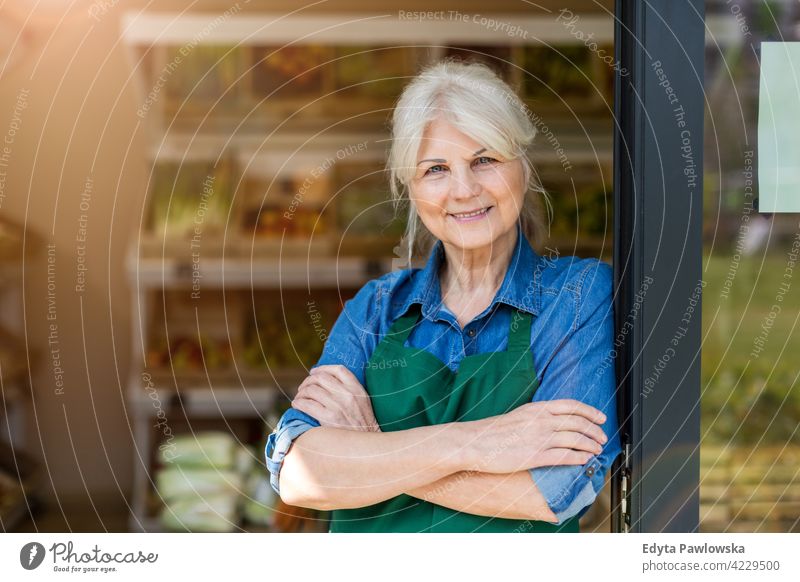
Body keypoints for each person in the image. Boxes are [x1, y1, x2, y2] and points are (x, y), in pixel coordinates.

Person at [264, 59, 621, 533]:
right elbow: (299, 472)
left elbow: (555, 489)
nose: (464, 189)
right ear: (411, 188)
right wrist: (479, 443)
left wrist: (374, 443)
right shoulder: (376, 307)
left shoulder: (576, 296)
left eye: (485, 159)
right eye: (436, 169)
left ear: (523, 167)